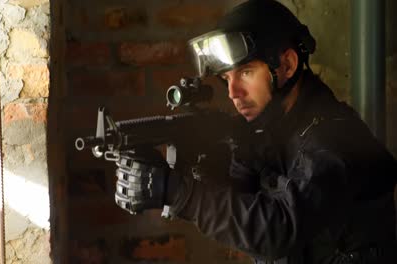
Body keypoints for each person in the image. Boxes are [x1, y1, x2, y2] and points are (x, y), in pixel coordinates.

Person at [113, 0, 397, 263]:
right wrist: (194, 171)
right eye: (227, 78)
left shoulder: (332, 139)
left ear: (286, 65)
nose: (233, 92)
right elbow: (244, 203)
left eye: (246, 72)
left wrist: (181, 194)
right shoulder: (274, 127)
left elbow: (279, 230)